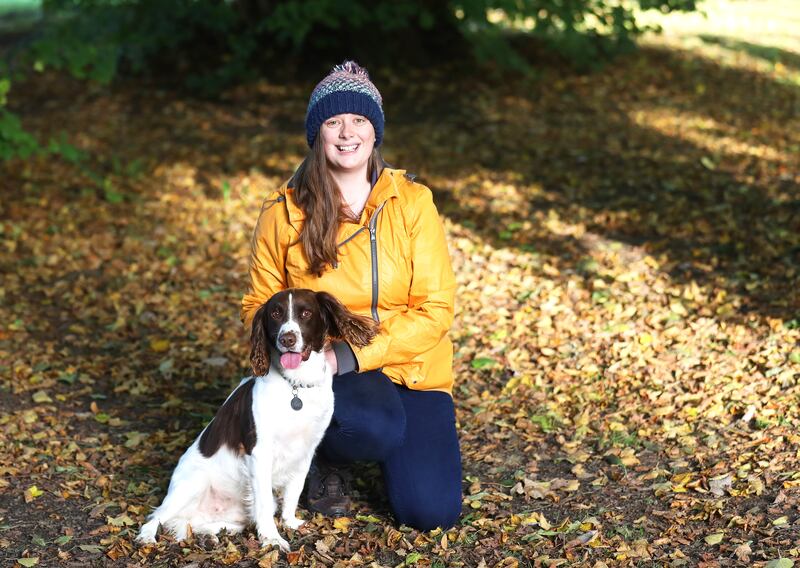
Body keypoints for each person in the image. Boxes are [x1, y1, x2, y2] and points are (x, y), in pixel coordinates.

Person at [241, 61, 461, 531]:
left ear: (375, 131)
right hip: (325, 365)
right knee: (373, 428)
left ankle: (378, 449)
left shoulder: (412, 202)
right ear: (316, 133)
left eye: (359, 120)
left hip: (412, 364)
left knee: (432, 513)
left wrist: (355, 352)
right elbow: (258, 305)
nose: (347, 133)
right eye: (333, 121)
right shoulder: (283, 212)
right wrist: (291, 353)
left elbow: (436, 309)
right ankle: (319, 458)